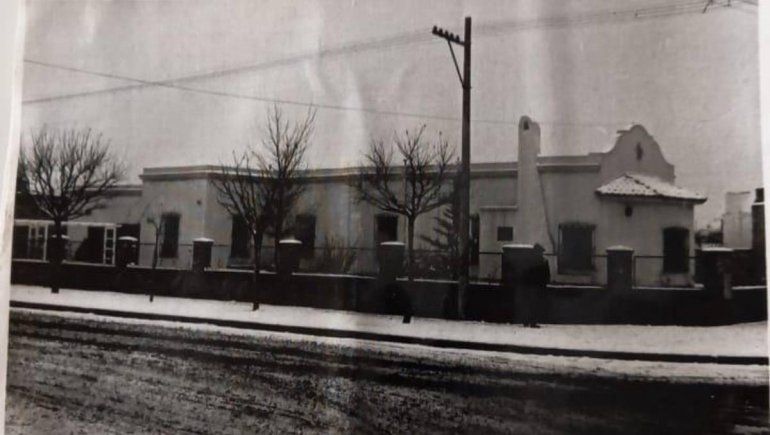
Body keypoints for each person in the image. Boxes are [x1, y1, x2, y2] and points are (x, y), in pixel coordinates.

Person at [522, 243, 550, 328]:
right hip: (536, 285)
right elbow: (547, 274)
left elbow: (525, 273)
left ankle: (527, 321)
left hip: (534, 285)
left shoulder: (530, 260)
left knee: (531, 304)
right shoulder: (542, 261)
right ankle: (531, 322)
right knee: (534, 304)